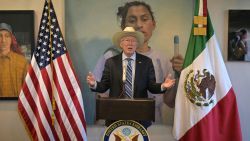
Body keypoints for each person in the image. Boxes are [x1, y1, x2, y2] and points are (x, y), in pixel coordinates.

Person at [93, 1, 184, 124]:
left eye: (144, 19)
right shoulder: (110, 58)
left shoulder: (163, 60)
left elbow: (170, 102)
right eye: (132, 20)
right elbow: (101, 101)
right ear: (123, 27)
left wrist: (180, 74)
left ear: (153, 24)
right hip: (117, 126)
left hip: (152, 128)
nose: (139, 25)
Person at [87, 27, 176, 129]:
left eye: (133, 41)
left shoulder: (146, 62)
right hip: (116, 114)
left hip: (139, 115)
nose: (130, 43)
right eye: (127, 40)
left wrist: (163, 86)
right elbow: (104, 85)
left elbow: (151, 86)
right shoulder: (111, 62)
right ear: (121, 44)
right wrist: (94, 84)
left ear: (137, 44)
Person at [0, 23, 28, 97]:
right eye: (0, 36)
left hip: (16, 106)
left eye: (7, 36)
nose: (3, 40)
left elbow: (28, 91)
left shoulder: (22, 62)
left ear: (11, 39)